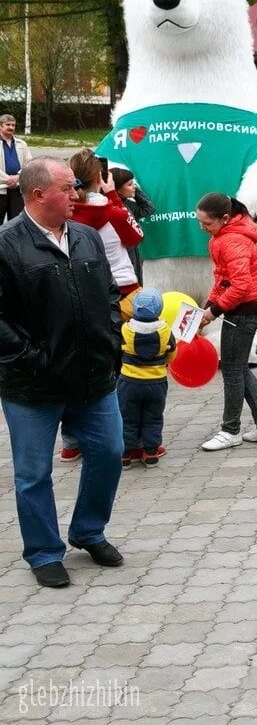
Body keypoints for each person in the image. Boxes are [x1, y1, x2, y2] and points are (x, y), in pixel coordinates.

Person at [0, 159, 125, 587]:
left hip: (93, 377)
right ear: (38, 195)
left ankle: (88, 531)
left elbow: (109, 294)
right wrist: (34, 359)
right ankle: (43, 552)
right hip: (32, 385)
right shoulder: (6, 245)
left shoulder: (88, 237)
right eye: (68, 189)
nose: (78, 196)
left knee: (109, 453)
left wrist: (112, 341)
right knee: (33, 473)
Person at [195, 193, 257, 452]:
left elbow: (240, 285)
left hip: (245, 309)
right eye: (200, 222)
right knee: (239, 368)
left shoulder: (232, 241)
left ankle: (230, 430)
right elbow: (223, 279)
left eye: (207, 223)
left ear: (226, 218)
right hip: (244, 308)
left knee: (231, 370)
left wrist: (214, 311)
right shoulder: (224, 237)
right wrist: (207, 307)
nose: (202, 228)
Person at [68, 150, 144, 311]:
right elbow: (136, 237)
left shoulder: (64, 212)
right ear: (99, 178)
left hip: (81, 289)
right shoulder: (113, 211)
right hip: (122, 288)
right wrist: (112, 195)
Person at [117, 288, 176, 470]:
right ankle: (150, 453)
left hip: (129, 382)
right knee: (153, 418)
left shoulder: (125, 329)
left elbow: (118, 349)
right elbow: (172, 353)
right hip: (156, 382)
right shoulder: (166, 330)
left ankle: (125, 455)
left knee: (127, 418)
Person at [110, 168, 155, 286]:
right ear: (118, 189)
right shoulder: (113, 208)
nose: (133, 186)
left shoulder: (128, 204)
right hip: (124, 259)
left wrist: (135, 191)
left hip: (135, 256)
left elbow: (148, 209)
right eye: (129, 184)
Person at [0, 114, 30, 223]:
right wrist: (8, 179)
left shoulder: (22, 144)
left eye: (13, 125)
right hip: (0, 189)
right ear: (0, 126)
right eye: (8, 124)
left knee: (17, 222)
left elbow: (29, 163)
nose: (11, 127)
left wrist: (17, 177)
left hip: (17, 189)